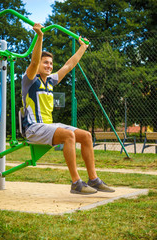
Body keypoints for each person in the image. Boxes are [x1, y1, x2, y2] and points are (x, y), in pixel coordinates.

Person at [22, 23, 115, 194]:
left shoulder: (50, 80)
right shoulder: (29, 80)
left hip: (48, 125)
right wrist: (40, 37)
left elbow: (69, 65)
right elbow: (34, 61)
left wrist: (83, 48)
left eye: (50, 63)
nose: (49, 66)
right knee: (68, 135)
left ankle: (93, 179)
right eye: (45, 63)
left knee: (86, 136)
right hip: (33, 128)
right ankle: (75, 182)